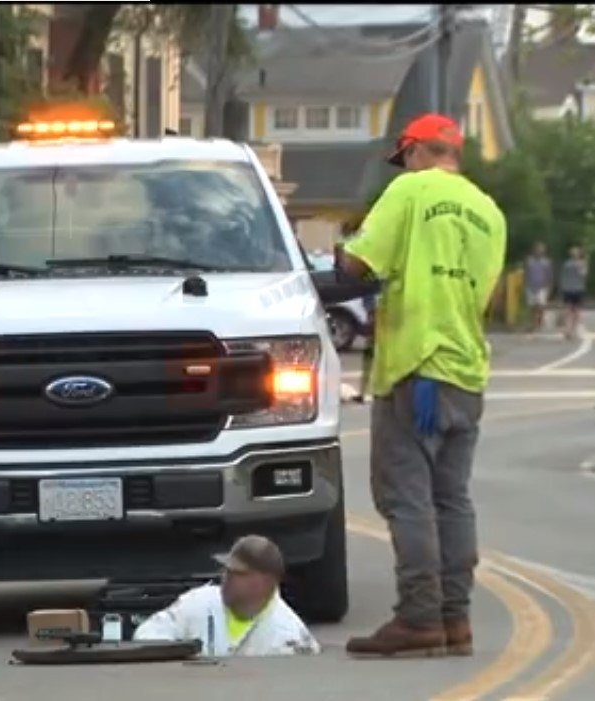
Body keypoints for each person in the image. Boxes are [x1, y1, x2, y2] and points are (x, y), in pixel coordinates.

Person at [334, 113, 507, 658]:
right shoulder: (488, 211)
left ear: (412, 151)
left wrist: (340, 256)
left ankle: (418, 618)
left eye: (402, 158)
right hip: (464, 369)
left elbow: (357, 264)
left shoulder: (408, 191)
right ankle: (455, 620)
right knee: (451, 499)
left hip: (415, 368)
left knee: (407, 498)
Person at [132, 535, 320, 657]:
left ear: (266, 581)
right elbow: (146, 634)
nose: (226, 578)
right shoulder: (198, 602)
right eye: (226, 571)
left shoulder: (290, 637)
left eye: (238, 574)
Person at [559, 245, 588, 341]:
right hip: (572, 289)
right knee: (571, 310)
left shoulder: (574, 264)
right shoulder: (570, 264)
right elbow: (583, 275)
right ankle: (569, 330)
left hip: (574, 289)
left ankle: (571, 330)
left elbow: (583, 274)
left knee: (573, 310)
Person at [523, 242, 554, 333]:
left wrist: (549, 286)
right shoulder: (529, 261)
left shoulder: (546, 262)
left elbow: (549, 275)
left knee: (540, 305)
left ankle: (538, 321)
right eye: (537, 249)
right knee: (532, 306)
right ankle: (533, 323)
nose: (539, 251)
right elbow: (526, 273)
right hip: (530, 286)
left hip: (542, 287)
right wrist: (524, 284)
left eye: (541, 250)